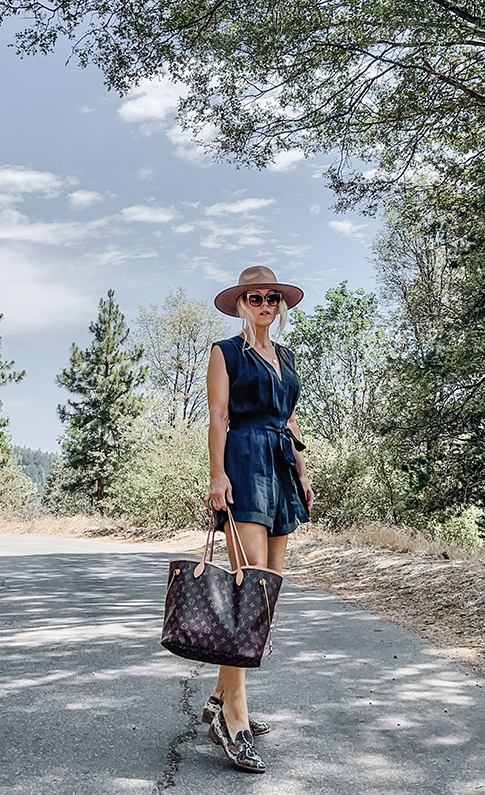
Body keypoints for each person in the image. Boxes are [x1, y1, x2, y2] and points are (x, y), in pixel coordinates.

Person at [202, 265, 314, 774]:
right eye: (255, 297)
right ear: (241, 303)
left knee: (268, 596)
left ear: (280, 305)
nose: (265, 303)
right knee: (248, 592)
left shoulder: (286, 357)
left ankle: (219, 697)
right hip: (244, 465)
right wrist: (217, 477)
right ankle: (234, 716)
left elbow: (290, 420)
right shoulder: (225, 352)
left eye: (272, 297)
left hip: (280, 470)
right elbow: (220, 417)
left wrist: (304, 473)